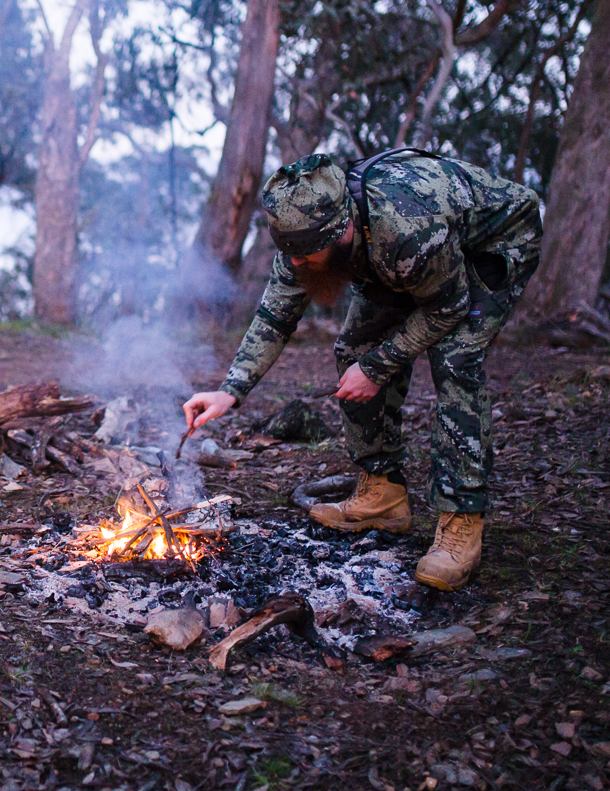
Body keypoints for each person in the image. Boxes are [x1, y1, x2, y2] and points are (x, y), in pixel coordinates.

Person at [182, 150, 542, 591]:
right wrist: (231, 390)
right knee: (354, 348)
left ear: (342, 233)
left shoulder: (404, 231)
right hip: (413, 258)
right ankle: (384, 494)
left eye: (305, 256)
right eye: (288, 253)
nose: (295, 264)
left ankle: (462, 519)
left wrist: (376, 368)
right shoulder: (302, 230)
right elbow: (275, 314)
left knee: (456, 360)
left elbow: (448, 306)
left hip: (493, 244)